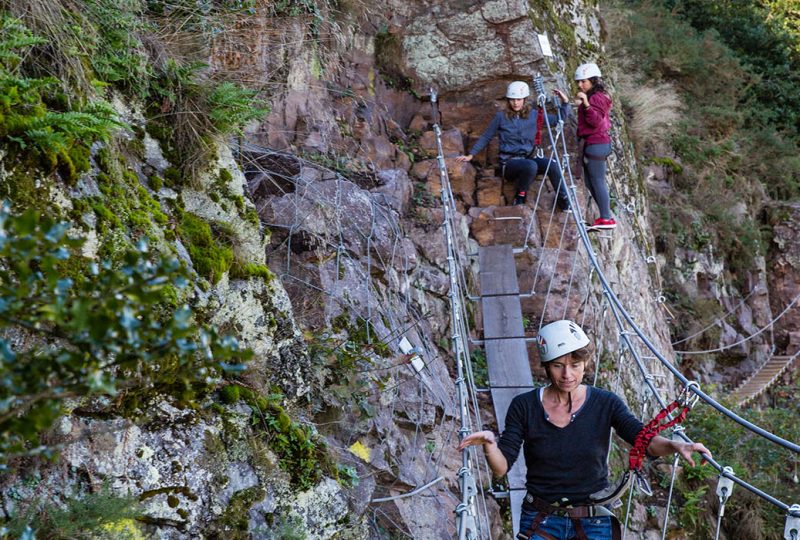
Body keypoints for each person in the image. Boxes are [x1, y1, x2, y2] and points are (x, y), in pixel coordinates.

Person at [458, 319, 711, 540]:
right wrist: (491, 444)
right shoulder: (524, 406)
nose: (567, 374)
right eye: (558, 365)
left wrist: (677, 446)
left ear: (586, 363)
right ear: (546, 366)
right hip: (541, 518)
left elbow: (643, 440)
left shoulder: (605, 403)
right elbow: (502, 467)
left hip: (594, 520)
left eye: (575, 365)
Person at [456, 81, 571, 208]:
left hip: (528, 158)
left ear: (525, 100)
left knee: (552, 164)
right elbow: (486, 136)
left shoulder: (534, 115)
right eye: (512, 100)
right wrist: (471, 155)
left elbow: (558, 120)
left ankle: (563, 199)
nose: (515, 103)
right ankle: (520, 196)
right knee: (531, 165)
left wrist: (565, 103)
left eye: (519, 100)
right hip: (509, 162)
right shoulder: (501, 117)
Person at [574, 63, 616, 230]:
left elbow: (596, 121)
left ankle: (606, 218)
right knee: (592, 183)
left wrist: (586, 105)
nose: (580, 85)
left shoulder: (595, 98)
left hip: (596, 143)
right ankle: (606, 216)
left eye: (583, 81)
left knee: (597, 181)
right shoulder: (595, 96)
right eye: (578, 82)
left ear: (592, 80)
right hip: (596, 144)